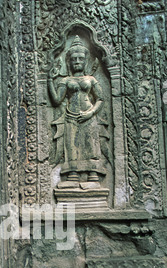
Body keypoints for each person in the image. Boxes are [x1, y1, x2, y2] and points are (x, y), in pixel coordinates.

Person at [48, 35, 104, 188]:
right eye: (74, 59)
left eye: (80, 59)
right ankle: (73, 176)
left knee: (90, 146)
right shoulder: (65, 81)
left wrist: (91, 113)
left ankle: (93, 176)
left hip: (88, 115)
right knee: (72, 147)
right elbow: (57, 100)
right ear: (69, 62)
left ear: (86, 60)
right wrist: (49, 80)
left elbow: (100, 99)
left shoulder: (91, 79)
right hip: (71, 117)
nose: (77, 62)